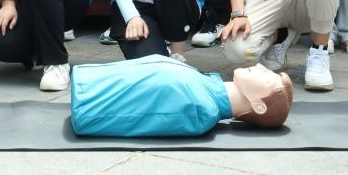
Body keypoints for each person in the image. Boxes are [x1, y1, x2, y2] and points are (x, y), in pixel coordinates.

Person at [71, 57, 293, 137]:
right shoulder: (201, 91)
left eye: (267, 77)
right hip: (86, 83)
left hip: (86, 101)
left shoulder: (200, 110)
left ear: (259, 106)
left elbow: (137, 116)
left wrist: (88, 107)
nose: (261, 66)